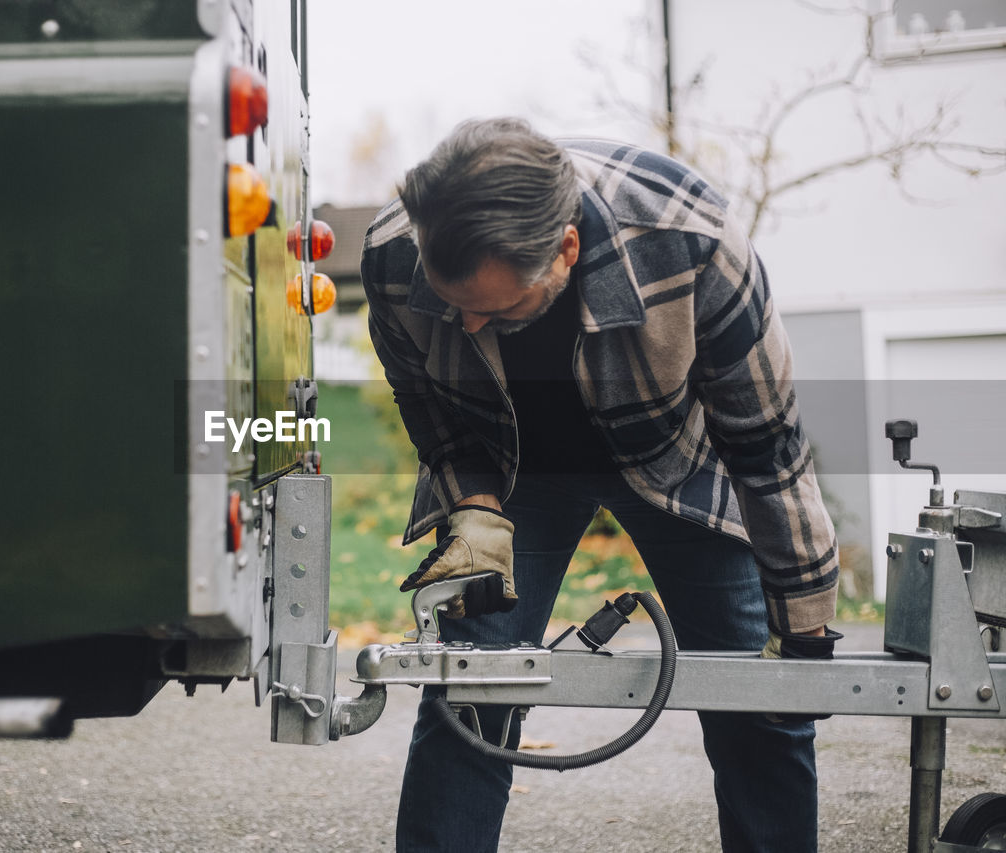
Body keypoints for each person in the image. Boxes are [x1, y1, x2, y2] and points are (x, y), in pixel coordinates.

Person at [360, 118, 842, 853]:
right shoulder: (396, 255)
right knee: (471, 692)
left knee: (760, 702)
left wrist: (805, 623)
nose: (467, 322)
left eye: (495, 308)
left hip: (673, 458)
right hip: (513, 465)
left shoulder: (695, 242)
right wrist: (476, 509)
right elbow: (424, 401)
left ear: (566, 251)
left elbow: (767, 447)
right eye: (452, 301)